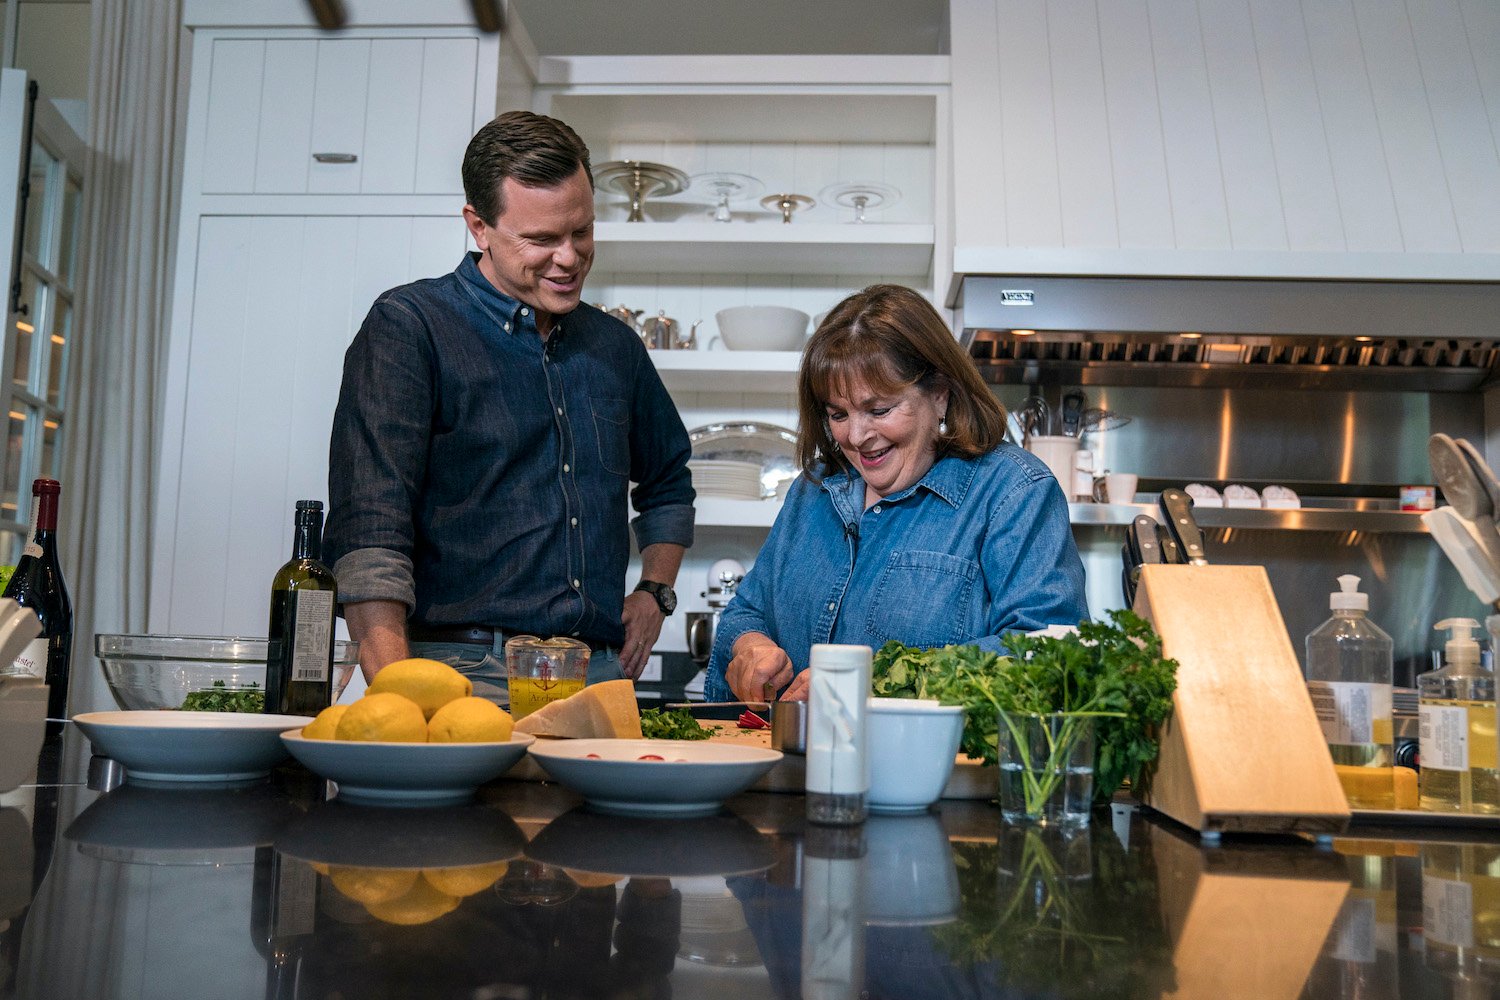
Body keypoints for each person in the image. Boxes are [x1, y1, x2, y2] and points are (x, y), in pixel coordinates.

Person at [324, 111, 694, 701]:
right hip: (459, 669)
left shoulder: (614, 347)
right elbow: (370, 525)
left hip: (595, 675)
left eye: (582, 232)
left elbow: (669, 480)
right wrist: (396, 693)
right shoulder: (410, 327)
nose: (569, 259)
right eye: (542, 240)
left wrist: (655, 593)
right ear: (479, 226)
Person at [705, 284, 1087, 703]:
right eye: (837, 414)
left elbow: (1048, 653)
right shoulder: (813, 490)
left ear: (940, 394)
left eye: (879, 410)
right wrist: (750, 647)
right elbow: (748, 610)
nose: (856, 436)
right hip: (791, 763)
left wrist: (872, 682)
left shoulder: (1013, 492)